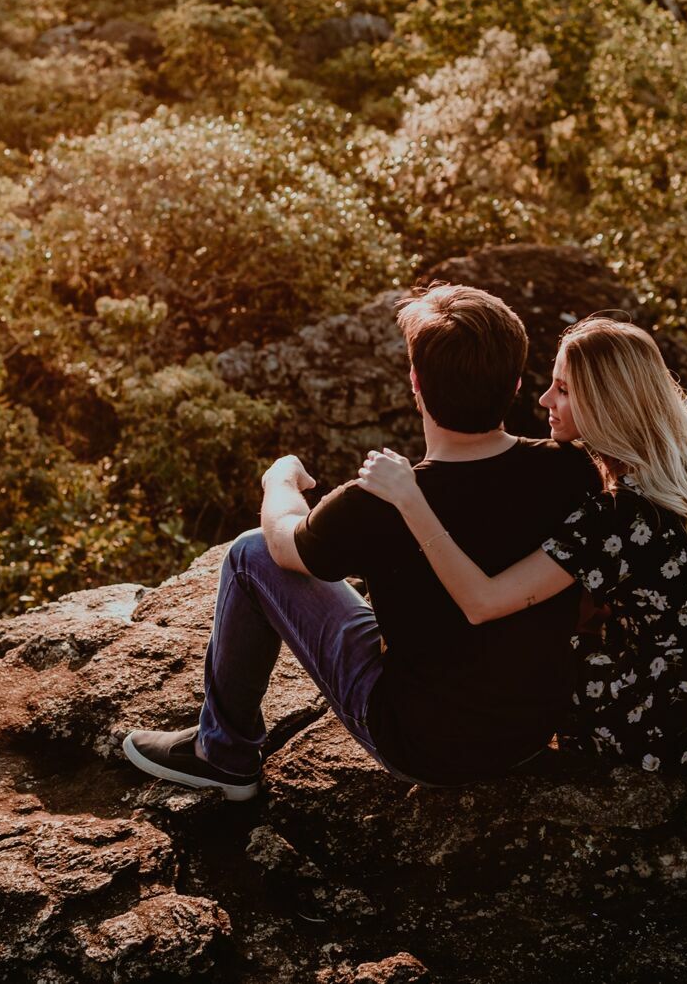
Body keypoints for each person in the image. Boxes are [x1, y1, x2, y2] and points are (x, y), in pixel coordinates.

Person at [123, 284, 602, 798]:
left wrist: (279, 480)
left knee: (248, 553)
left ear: (415, 382)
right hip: (530, 731)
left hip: (425, 747)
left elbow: (282, 545)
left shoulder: (379, 500)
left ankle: (222, 753)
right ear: (514, 384)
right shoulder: (570, 469)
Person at [356, 316, 687, 775]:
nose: (544, 400)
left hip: (681, 718)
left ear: (605, 402)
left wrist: (410, 499)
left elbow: (483, 602)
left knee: (530, 660)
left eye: (563, 389)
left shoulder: (620, 515)